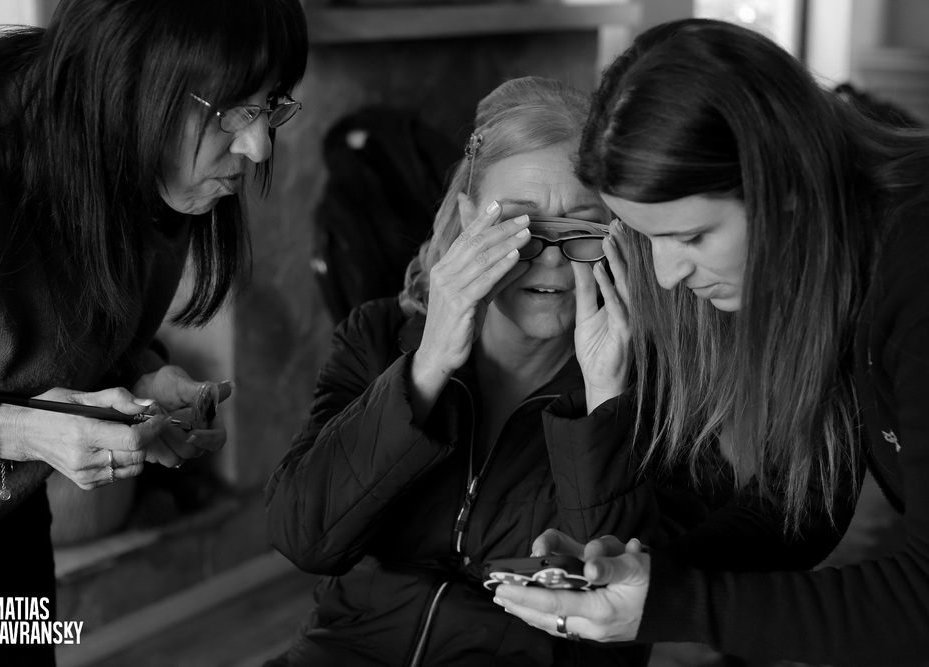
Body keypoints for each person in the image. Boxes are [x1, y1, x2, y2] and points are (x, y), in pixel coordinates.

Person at [492, 18, 929, 664]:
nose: (667, 274)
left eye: (692, 237)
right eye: (651, 238)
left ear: (785, 188)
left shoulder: (916, 268)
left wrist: (676, 603)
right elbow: (805, 496)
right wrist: (647, 573)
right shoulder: (840, 249)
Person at [263, 75, 700, 667]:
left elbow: (617, 612)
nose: (546, 258)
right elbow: (304, 536)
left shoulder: (657, 388)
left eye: (581, 226)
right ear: (469, 217)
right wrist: (428, 365)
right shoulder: (377, 337)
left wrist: (604, 401)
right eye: (517, 227)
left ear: (622, 232)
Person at [0, 0, 307, 663]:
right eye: (235, 112)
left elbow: (66, 314)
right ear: (135, 77)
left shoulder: (156, 153)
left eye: (270, 104)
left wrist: (144, 376)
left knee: (20, 643)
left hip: (0, 504)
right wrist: (26, 427)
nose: (258, 146)